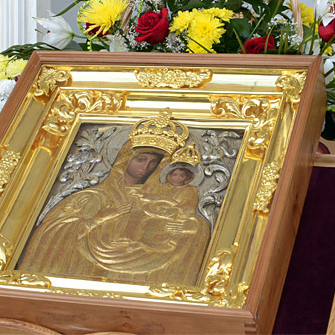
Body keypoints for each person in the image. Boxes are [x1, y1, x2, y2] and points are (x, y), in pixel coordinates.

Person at [18, 114, 209, 285]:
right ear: (124, 160)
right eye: (140, 160)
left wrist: (190, 228)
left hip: (145, 273)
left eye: (153, 163)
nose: (146, 168)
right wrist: (98, 219)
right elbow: (50, 233)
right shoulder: (91, 197)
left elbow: (185, 223)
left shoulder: (159, 198)